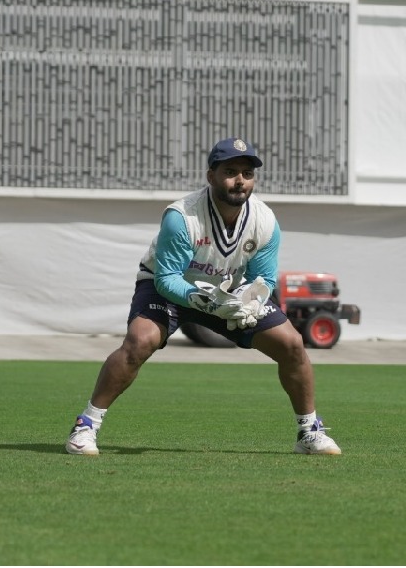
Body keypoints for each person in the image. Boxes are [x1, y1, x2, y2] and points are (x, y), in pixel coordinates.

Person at [65, 137, 341, 457]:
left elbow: (263, 278)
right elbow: (167, 278)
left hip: (227, 293)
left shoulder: (264, 221)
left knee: (292, 344)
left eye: (248, 173)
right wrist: (206, 300)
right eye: (231, 171)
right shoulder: (181, 216)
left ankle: (309, 432)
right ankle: (86, 425)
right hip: (168, 288)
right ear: (211, 176)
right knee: (139, 342)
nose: (240, 180)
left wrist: (250, 300)